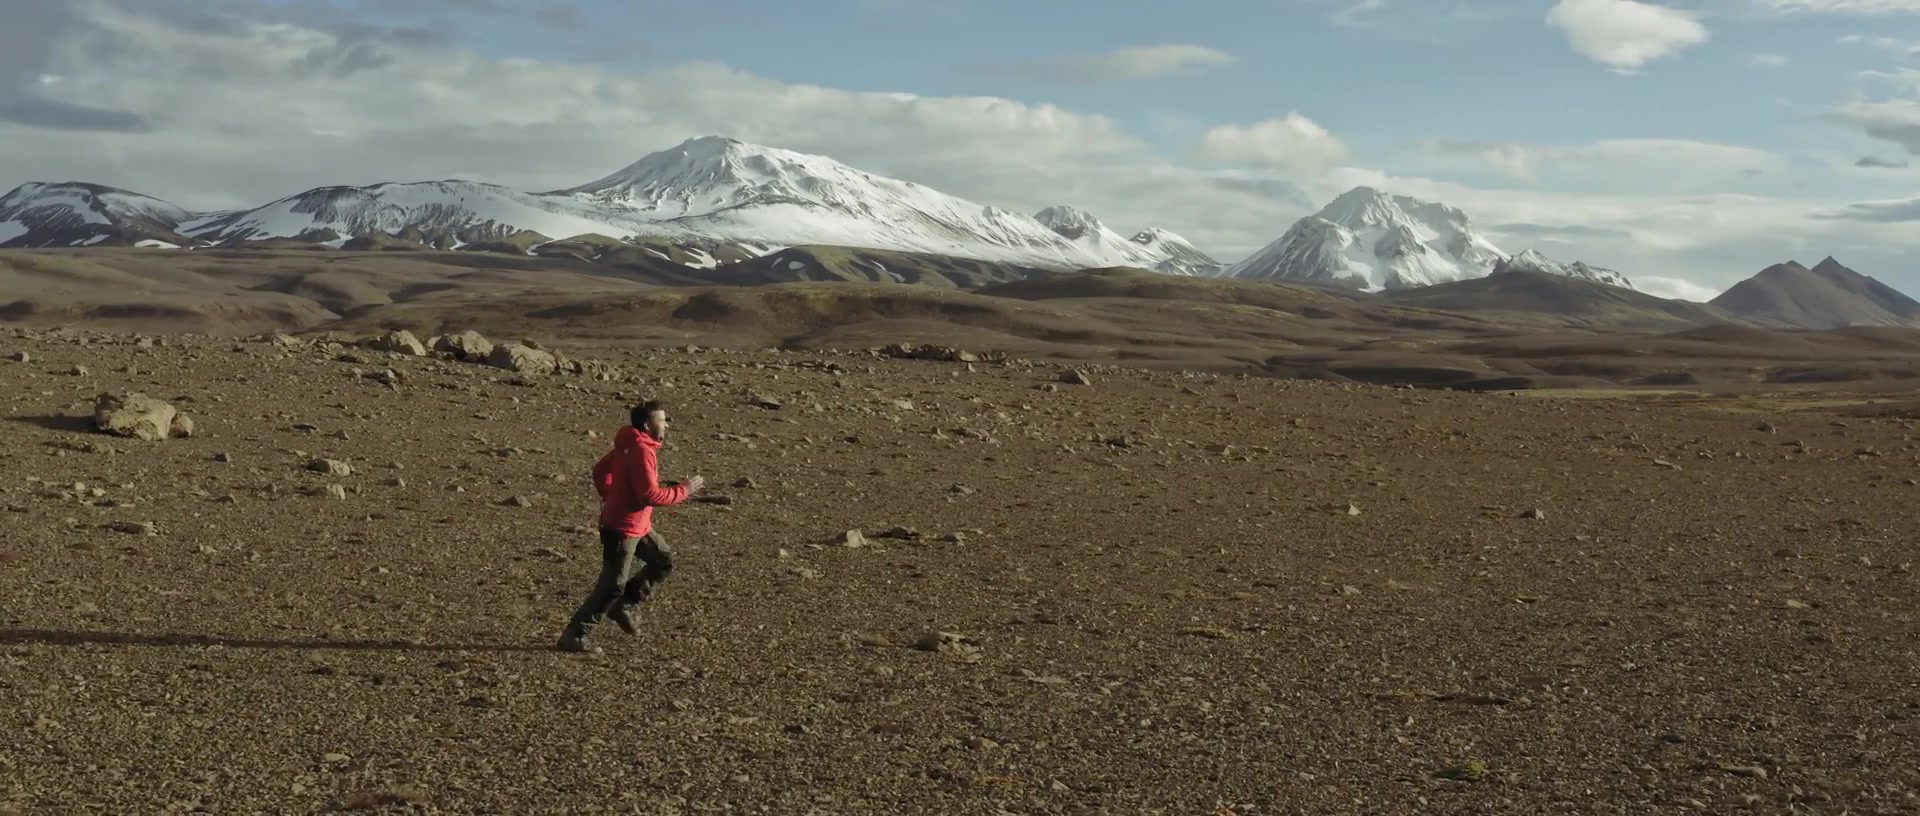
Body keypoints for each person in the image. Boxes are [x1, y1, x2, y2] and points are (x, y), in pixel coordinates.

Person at [557, 400, 703, 653]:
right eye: (662, 420)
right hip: (622, 529)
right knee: (612, 585)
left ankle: (624, 606)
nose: (666, 424)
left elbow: (600, 472)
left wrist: (613, 497)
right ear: (647, 425)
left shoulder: (629, 445)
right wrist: (685, 490)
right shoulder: (640, 451)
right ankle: (575, 635)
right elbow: (650, 495)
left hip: (638, 526)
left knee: (662, 561)